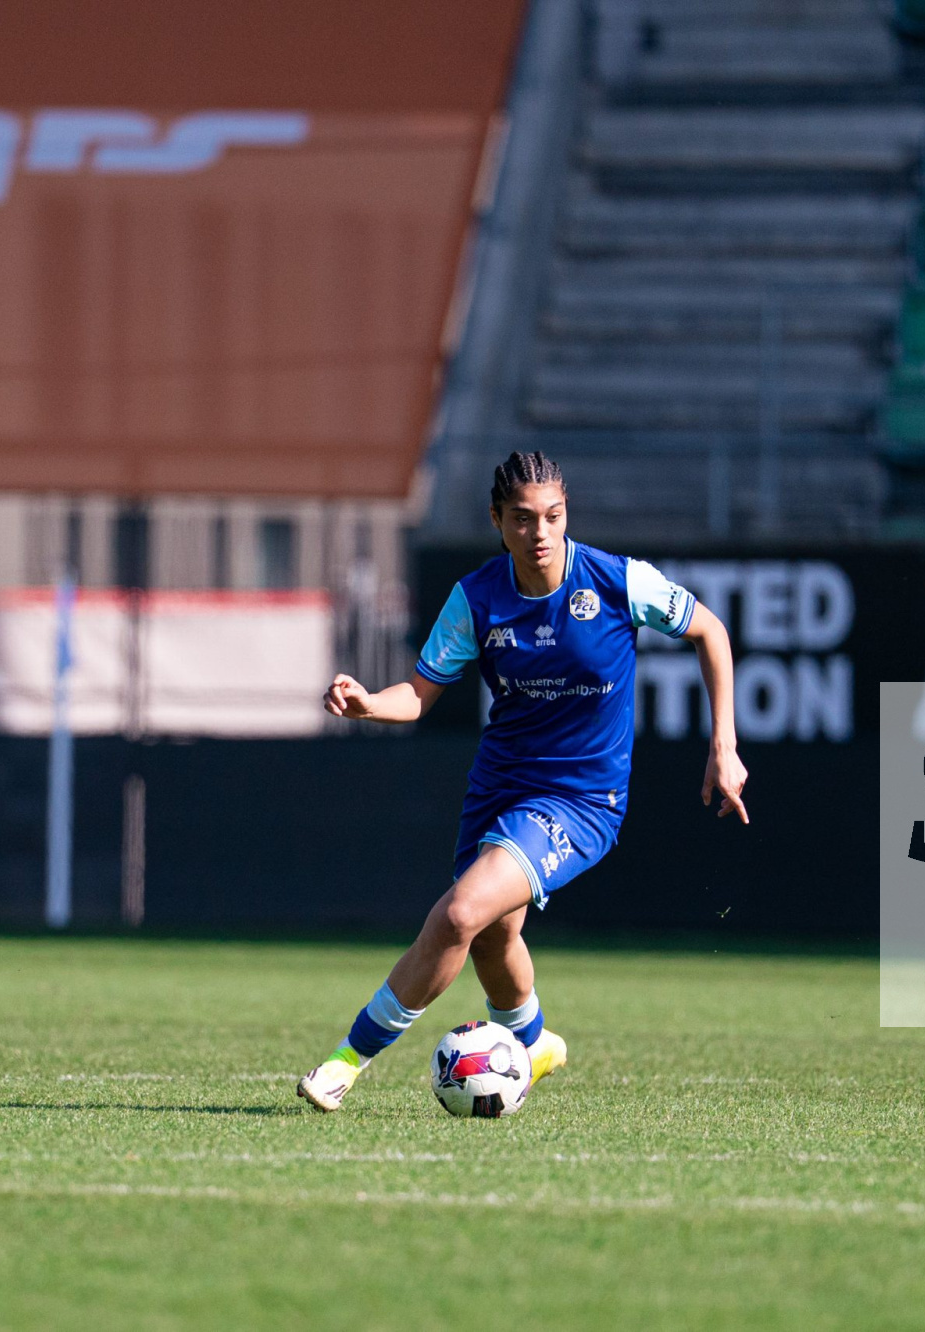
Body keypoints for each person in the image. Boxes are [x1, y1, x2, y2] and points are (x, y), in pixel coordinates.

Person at [296, 452, 750, 1113]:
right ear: (497, 521)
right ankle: (533, 1046)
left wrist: (723, 745)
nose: (541, 532)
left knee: (459, 913)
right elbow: (419, 694)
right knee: (491, 936)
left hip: (582, 799)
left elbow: (710, 630)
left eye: (553, 517)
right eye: (523, 519)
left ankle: (346, 1061)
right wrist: (368, 704)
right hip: (500, 788)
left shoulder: (618, 582)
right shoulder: (477, 598)